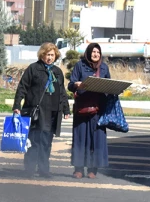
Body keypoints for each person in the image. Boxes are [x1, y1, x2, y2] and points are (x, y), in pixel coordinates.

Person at [12, 43, 69, 178]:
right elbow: (22, 87)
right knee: (34, 141)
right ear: (42, 55)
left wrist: (66, 109)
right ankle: (30, 169)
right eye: (47, 55)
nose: (49, 58)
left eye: (52, 55)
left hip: (52, 112)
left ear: (55, 56)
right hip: (36, 112)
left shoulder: (57, 72)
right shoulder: (33, 69)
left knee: (46, 142)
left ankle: (44, 170)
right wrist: (17, 105)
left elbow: (62, 92)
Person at [68, 42, 112, 179]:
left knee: (97, 139)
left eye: (98, 52)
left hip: (99, 110)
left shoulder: (104, 68)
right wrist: (77, 85)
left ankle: (93, 169)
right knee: (80, 138)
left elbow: (109, 84)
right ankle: (78, 169)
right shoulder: (80, 66)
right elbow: (70, 85)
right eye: (93, 52)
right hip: (82, 109)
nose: (96, 54)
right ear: (88, 53)